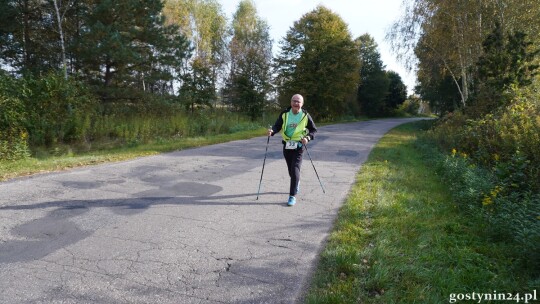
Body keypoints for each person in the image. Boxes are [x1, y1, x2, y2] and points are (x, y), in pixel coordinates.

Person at [267, 94, 317, 206]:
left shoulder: (305, 115)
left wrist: (307, 138)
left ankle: (292, 196)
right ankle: (296, 182)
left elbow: (313, 130)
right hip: (287, 145)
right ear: (291, 102)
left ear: (302, 104)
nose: (296, 103)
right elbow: (277, 126)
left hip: (299, 145)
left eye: (298, 102)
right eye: (294, 101)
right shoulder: (285, 114)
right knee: (291, 170)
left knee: (295, 169)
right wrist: (272, 131)